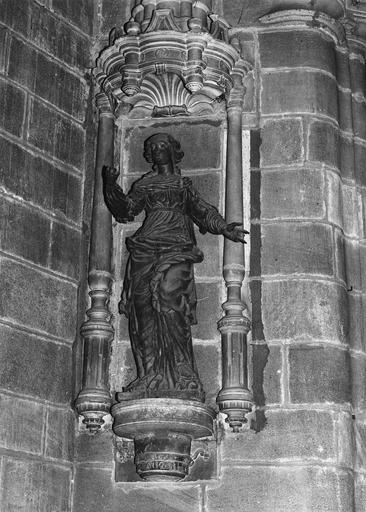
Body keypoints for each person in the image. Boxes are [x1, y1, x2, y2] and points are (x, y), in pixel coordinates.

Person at [102, 132, 248, 401]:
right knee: (143, 311)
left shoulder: (182, 185)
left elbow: (202, 210)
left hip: (177, 247)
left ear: (172, 151)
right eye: (152, 147)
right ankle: (149, 375)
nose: (157, 150)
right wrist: (111, 186)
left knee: (170, 299)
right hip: (146, 250)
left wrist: (224, 227)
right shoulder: (145, 184)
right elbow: (126, 211)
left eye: (162, 146)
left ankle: (183, 374)